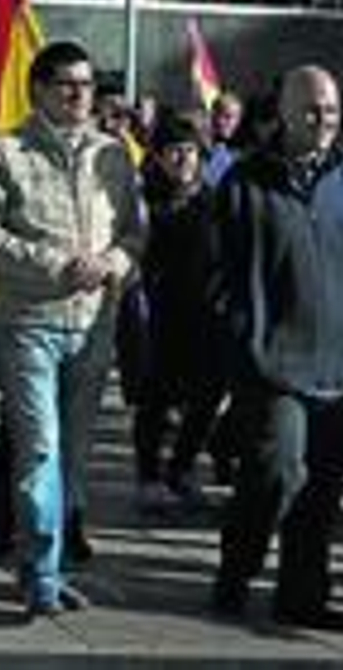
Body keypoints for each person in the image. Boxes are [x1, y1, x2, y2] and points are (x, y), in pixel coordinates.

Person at [209, 65, 343, 630]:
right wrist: (246, 334)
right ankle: (238, 565)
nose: (323, 122)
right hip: (274, 365)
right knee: (276, 472)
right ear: (285, 112)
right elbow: (217, 272)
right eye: (312, 111)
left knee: (322, 489)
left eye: (333, 113)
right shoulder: (245, 182)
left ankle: (303, 594)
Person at [0, 39, 143, 618]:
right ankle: (39, 573)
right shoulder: (5, 153)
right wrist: (55, 265)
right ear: (39, 88)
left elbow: (135, 235)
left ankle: (51, 562)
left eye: (88, 84)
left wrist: (112, 264)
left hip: (93, 326)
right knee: (39, 448)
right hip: (29, 323)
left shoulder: (113, 156)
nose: (80, 94)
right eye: (68, 83)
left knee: (71, 454)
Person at [133, 111, 221, 513]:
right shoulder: (145, 202)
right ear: (159, 157)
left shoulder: (214, 200)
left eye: (188, 151)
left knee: (207, 398)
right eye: (173, 152)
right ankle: (149, 477)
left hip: (208, 315)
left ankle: (181, 469)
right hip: (160, 315)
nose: (183, 159)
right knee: (155, 399)